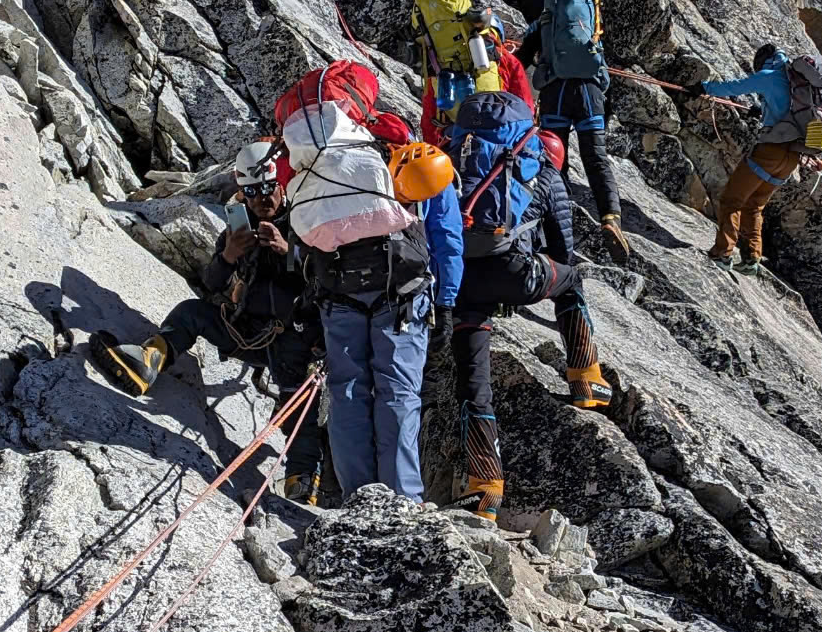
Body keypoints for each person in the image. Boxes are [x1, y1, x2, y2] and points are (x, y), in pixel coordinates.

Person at [91, 141, 326, 501]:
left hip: (291, 338)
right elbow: (210, 284)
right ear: (243, 194)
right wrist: (230, 255)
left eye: (267, 188)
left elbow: (321, 278)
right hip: (245, 330)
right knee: (191, 313)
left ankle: (302, 478)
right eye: (252, 192)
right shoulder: (236, 230)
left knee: (297, 401)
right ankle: (148, 362)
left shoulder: (302, 225)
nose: (263, 198)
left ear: (280, 186)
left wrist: (288, 251)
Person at [449, 120, 612, 519]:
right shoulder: (548, 177)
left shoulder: (472, 166)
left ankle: (485, 488)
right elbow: (564, 252)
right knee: (571, 281)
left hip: (460, 282)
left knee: (474, 382)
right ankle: (586, 378)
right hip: (513, 273)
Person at [315, 119, 463, 502]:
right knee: (397, 393)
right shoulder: (422, 168)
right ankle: (401, 499)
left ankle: (358, 497)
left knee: (347, 392)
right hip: (402, 295)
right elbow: (446, 240)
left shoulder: (336, 163)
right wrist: (445, 304)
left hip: (339, 290)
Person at [518, 0, 630, 264]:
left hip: (556, 93)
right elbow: (599, 57)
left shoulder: (544, 21)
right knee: (596, 158)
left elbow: (521, 59)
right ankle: (610, 218)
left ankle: (557, 223)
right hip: (589, 95)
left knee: (555, 161)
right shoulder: (592, 19)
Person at [698, 44, 810, 271]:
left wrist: (703, 87)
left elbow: (735, 86)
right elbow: (785, 110)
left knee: (732, 199)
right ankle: (752, 258)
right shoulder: (797, 81)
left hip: (770, 150)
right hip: (792, 157)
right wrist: (762, 109)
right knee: (755, 205)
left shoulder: (770, 75)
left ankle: (723, 253)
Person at [416, 0, 534, 141]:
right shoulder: (506, 60)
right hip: (499, 130)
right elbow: (525, 105)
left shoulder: (439, 62)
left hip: (456, 136)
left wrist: (433, 146)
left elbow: (430, 112)